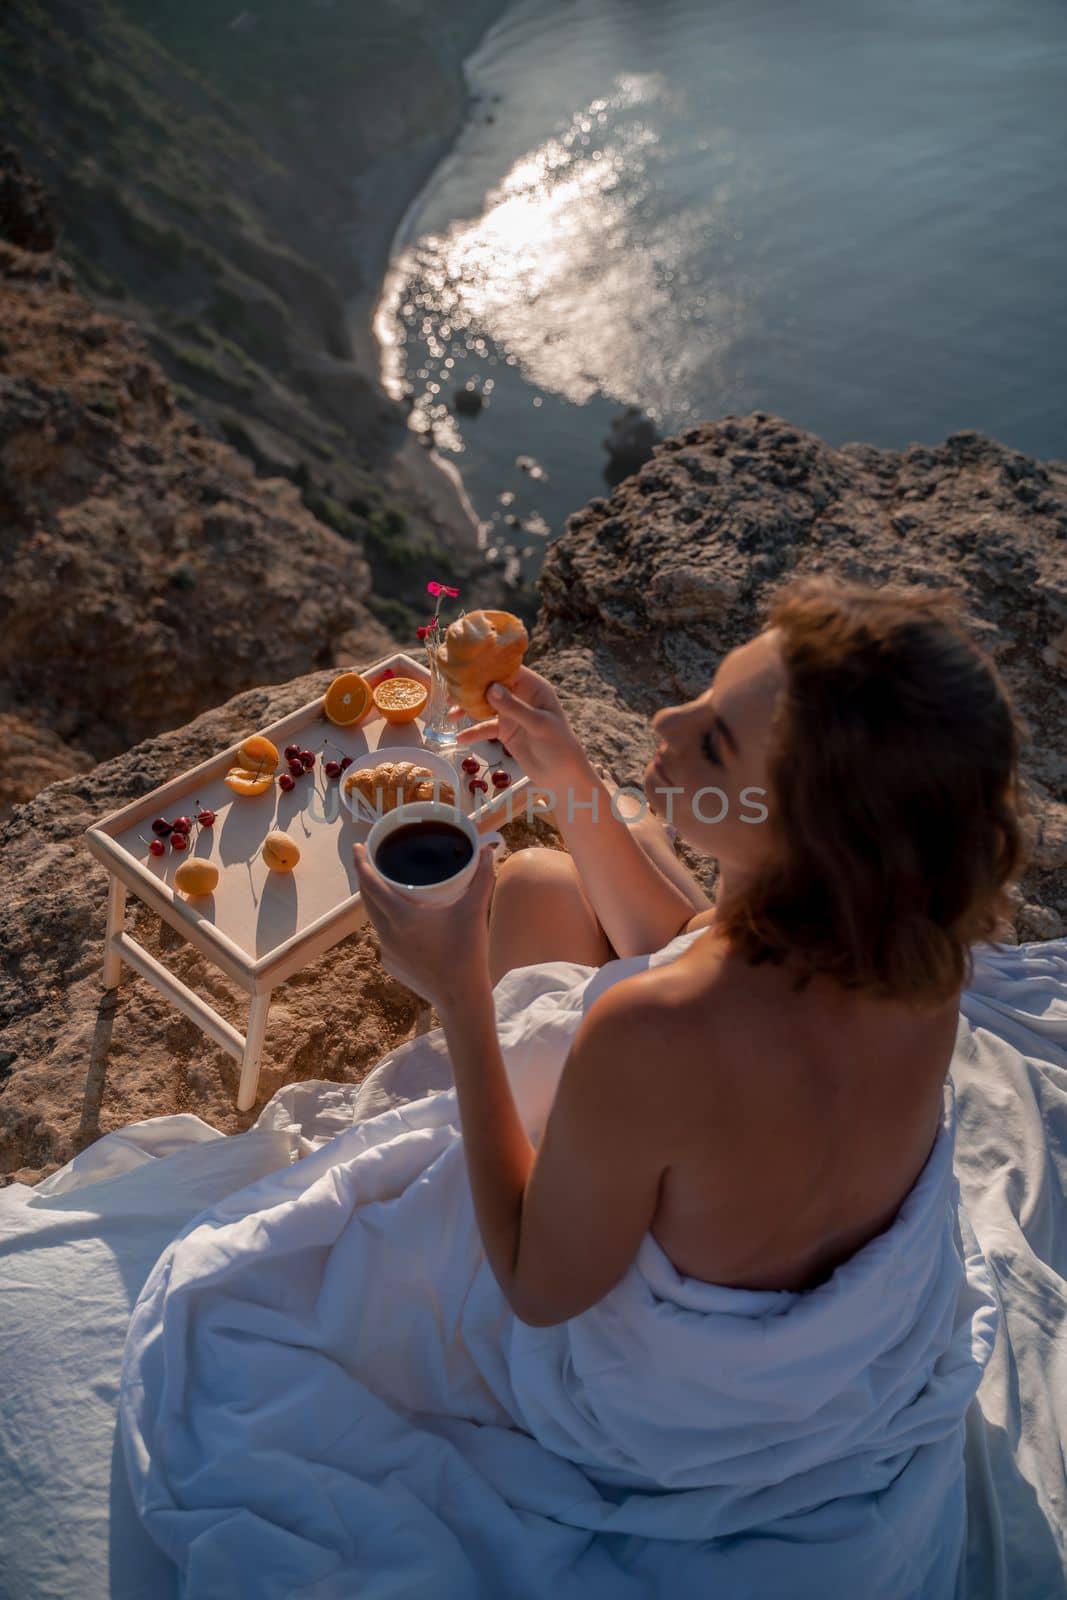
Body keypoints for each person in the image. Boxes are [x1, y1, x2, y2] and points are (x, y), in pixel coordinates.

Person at [354, 570, 1027, 1320]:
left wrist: (457, 992)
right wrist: (564, 772)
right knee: (543, 878)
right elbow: (682, 942)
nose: (666, 719)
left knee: (547, 883)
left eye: (713, 737)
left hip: (659, 1368)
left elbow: (535, 1292)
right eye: (705, 694)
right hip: (772, 1225)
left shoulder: (649, 1033)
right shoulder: (899, 951)